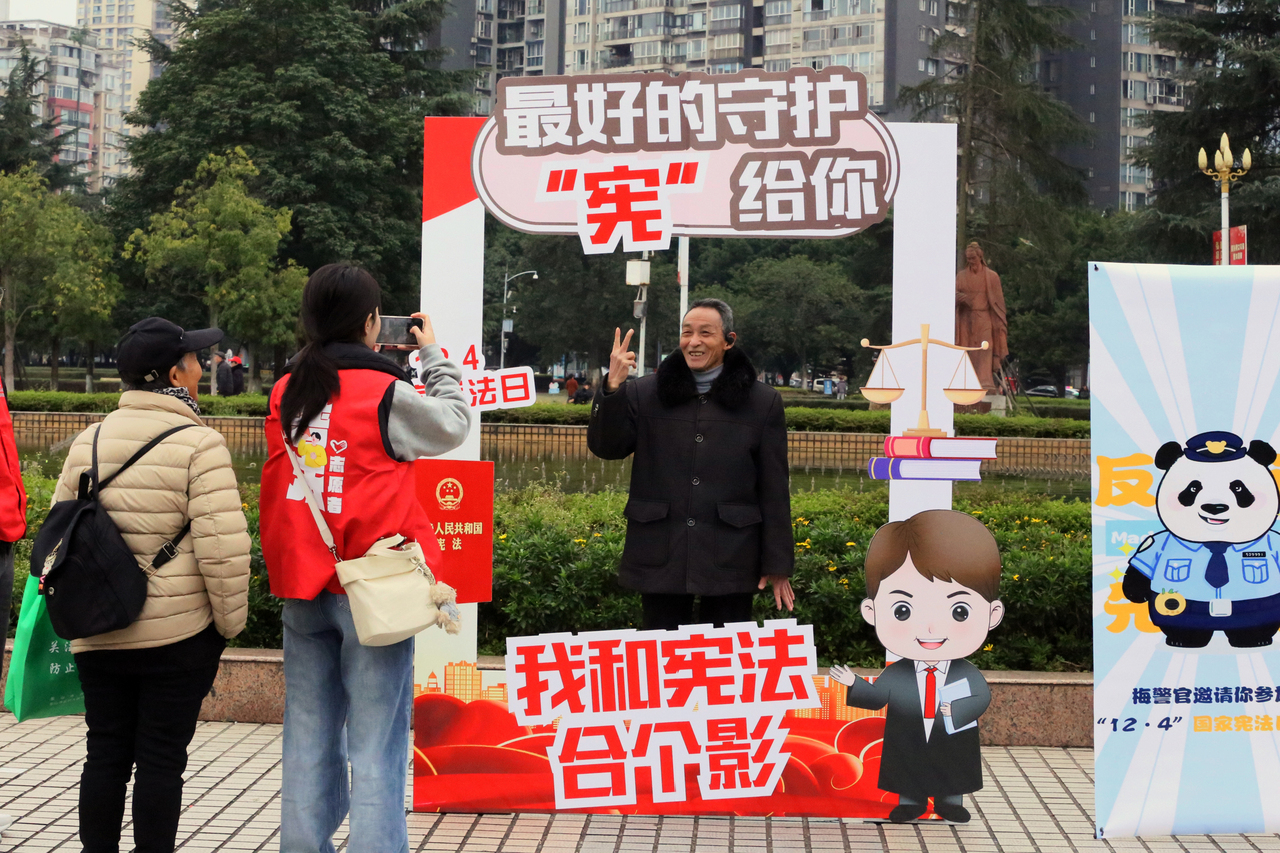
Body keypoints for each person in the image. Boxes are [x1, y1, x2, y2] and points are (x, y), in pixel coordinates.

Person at [258, 263, 470, 853]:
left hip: (303, 584)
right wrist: (433, 357)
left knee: (307, 735)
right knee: (376, 743)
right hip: (374, 590)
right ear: (372, 321)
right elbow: (454, 423)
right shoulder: (384, 391)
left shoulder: (286, 389)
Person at [53, 317, 251, 852]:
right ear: (173, 374)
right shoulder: (200, 444)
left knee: (105, 754)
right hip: (178, 637)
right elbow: (223, 550)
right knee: (161, 760)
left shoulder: (88, 442)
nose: (202, 367)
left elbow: (59, 540)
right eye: (195, 360)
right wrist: (227, 627)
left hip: (98, 630)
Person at [587, 298, 794, 630]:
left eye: (705, 333)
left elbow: (774, 488)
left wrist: (778, 563)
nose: (693, 341)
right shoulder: (644, 393)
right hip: (660, 547)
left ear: (728, 340)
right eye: (687, 332)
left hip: (732, 551)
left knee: (726, 650)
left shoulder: (762, 402)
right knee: (660, 649)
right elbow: (606, 447)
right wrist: (612, 387)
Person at [830, 510, 1004, 824]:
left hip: (951, 730)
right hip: (908, 730)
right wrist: (853, 683)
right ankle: (910, 802)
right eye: (902, 610)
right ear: (871, 611)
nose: (931, 627)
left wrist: (958, 710)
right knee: (907, 763)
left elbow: (981, 697)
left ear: (992, 615)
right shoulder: (898, 673)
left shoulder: (966, 673)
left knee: (952, 765)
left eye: (960, 611)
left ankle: (950, 802)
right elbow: (877, 698)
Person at [954, 242, 1009, 392]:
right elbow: (952, 294)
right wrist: (961, 298)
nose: (971, 261)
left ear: (980, 257)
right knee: (967, 348)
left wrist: (999, 325)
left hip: (984, 316)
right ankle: (966, 380)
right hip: (966, 318)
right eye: (968, 258)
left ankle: (985, 380)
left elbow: (998, 304)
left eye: (973, 258)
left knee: (985, 347)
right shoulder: (961, 276)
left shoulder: (991, 277)